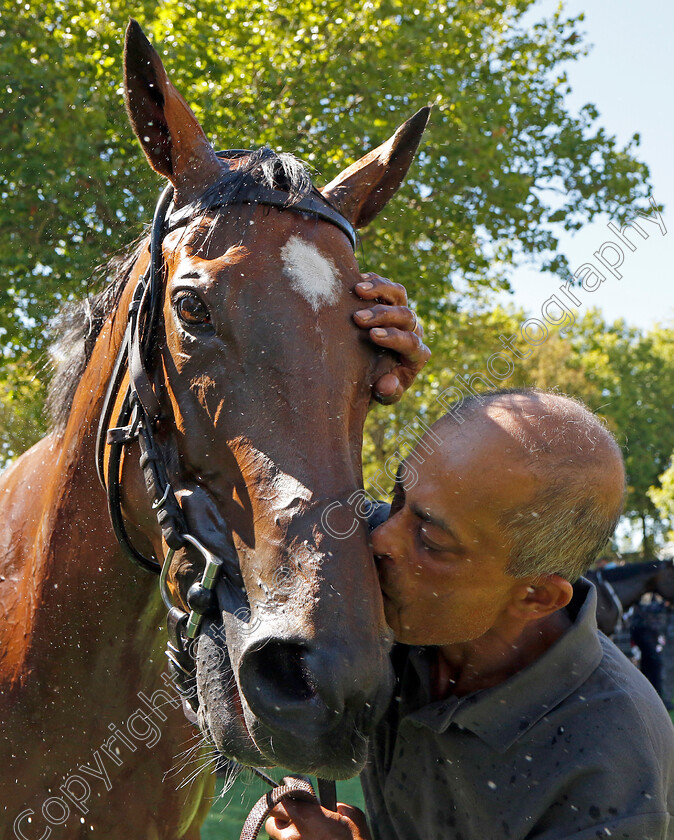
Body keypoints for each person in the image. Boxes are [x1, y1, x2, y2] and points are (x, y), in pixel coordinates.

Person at [265, 385, 674, 840]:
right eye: (398, 499)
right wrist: (369, 349)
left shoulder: (608, 772)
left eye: (431, 540)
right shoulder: (416, 592)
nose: (379, 540)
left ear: (536, 595)